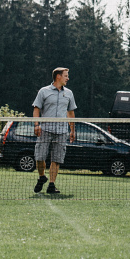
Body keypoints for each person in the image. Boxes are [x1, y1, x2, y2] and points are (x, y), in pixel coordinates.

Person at [32, 67, 76, 195]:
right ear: (58, 76)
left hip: (62, 131)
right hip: (45, 129)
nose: (68, 78)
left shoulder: (69, 93)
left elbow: (71, 112)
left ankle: (51, 184)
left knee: (56, 159)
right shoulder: (43, 91)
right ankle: (41, 177)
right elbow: (36, 109)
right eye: (66, 76)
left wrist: (72, 130)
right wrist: (36, 125)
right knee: (39, 157)